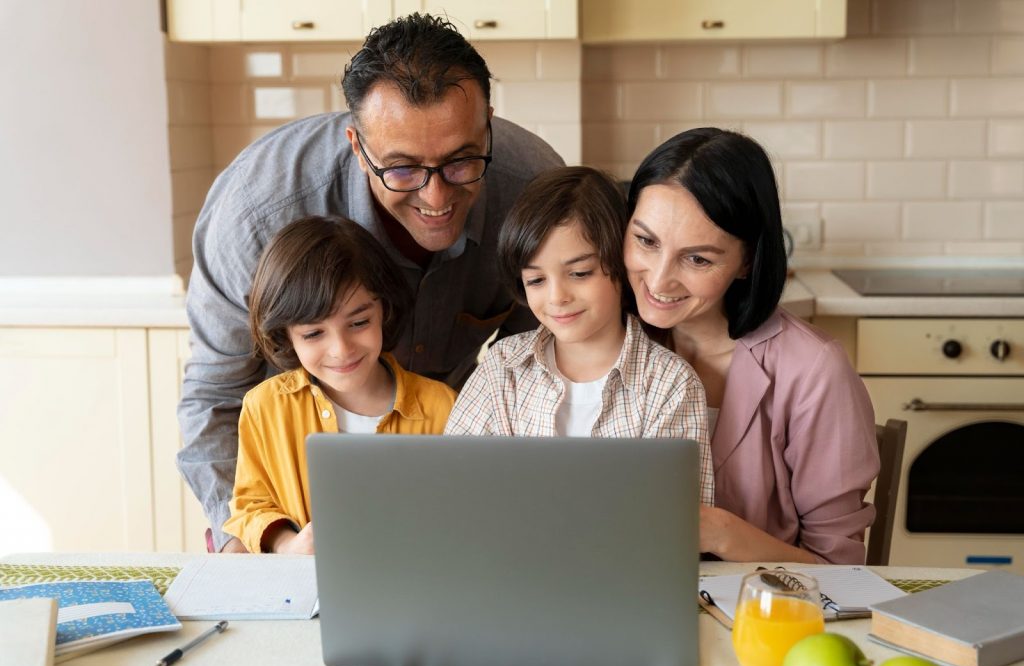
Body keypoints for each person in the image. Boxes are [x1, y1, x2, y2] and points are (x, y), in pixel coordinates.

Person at [178, 13, 564, 551]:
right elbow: (213, 398)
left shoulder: (533, 195)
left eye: (460, 162)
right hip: (296, 513)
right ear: (358, 146)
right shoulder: (255, 213)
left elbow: (543, 366)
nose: (436, 199)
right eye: (402, 169)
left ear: (489, 126)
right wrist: (252, 545)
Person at [624, 128, 880, 564]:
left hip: (758, 615)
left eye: (698, 258)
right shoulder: (605, 343)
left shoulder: (813, 370)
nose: (659, 279)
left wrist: (722, 533)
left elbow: (842, 572)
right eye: (646, 241)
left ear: (746, 262)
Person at [445, 167, 714, 506]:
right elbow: (453, 489)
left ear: (622, 261)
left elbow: (679, 523)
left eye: (579, 273)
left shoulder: (669, 384)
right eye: (536, 280)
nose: (558, 297)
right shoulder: (502, 369)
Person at [222, 216, 456, 554]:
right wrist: (289, 545)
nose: (341, 349)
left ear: (384, 311)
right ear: (285, 334)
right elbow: (251, 506)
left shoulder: (443, 407)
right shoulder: (265, 407)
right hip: (304, 592)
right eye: (314, 333)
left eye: (359, 322)